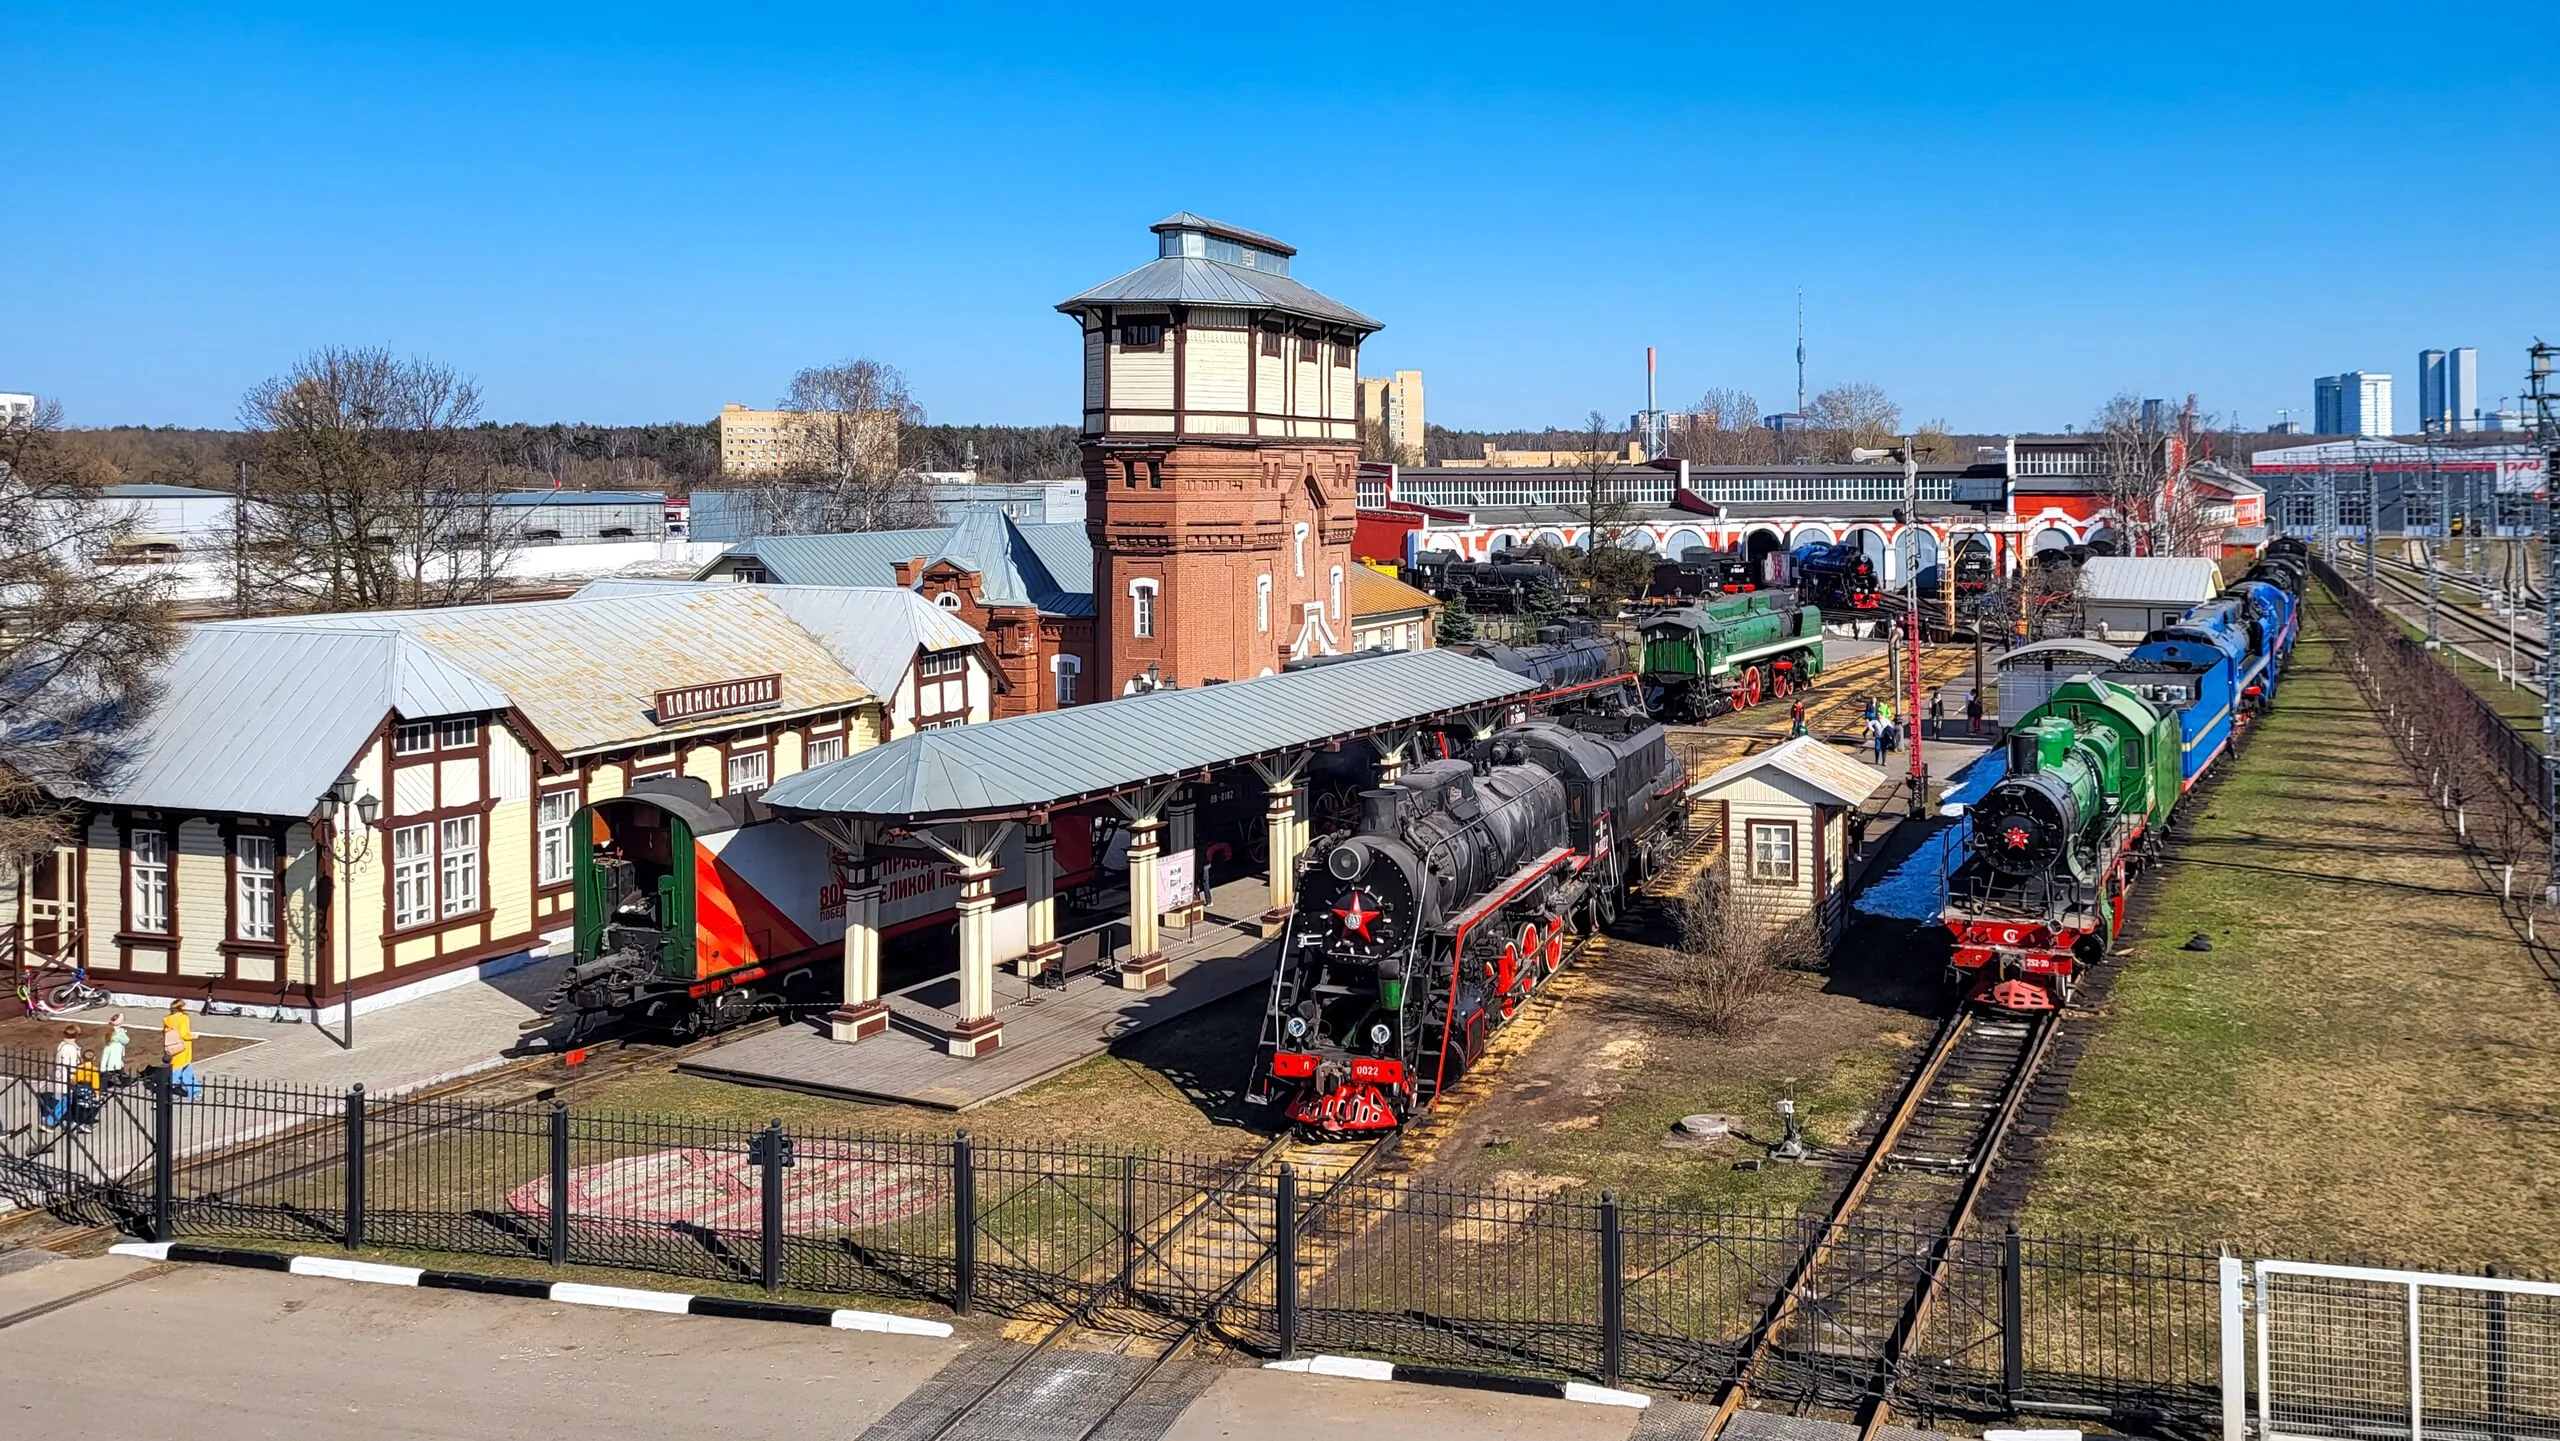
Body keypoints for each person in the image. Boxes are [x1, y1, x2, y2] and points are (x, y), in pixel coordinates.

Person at [41, 1025, 80, 1128]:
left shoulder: (62, 1045)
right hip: (66, 1077)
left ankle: (66, 1118)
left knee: (65, 1099)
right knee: (66, 1100)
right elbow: (70, 1066)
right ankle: (50, 1121)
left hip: (60, 1075)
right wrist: (74, 1077)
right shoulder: (70, 1048)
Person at [163, 999, 200, 1100]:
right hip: (182, 1048)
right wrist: (194, 1036)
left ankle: (195, 1090)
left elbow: (165, 1033)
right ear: (181, 1007)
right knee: (179, 1071)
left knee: (185, 1069)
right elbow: (184, 1034)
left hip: (172, 1047)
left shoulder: (167, 1019)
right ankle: (165, 1089)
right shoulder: (184, 1018)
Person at [66, 1049, 102, 1131]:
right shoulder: (94, 1069)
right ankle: (86, 1121)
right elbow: (95, 1082)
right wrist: (97, 1093)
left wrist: (72, 1083)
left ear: (82, 1059)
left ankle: (76, 1120)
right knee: (89, 1106)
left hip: (79, 1087)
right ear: (94, 1058)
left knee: (78, 1104)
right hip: (88, 1088)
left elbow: (75, 1079)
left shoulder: (79, 1068)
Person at [97, 1011, 130, 1088]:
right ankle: (102, 1088)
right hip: (114, 1062)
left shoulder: (109, 1044)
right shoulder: (118, 1038)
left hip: (114, 1062)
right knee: (111, 1073)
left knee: (116, 1071)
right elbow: (126, 1040)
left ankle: (124, 1081)